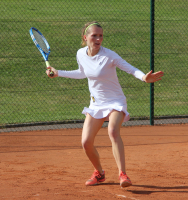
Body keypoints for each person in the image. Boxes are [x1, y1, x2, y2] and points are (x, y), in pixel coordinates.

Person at [46, 21, 164, 188]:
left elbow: (129, 68)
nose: (98, 39)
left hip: (115, 101)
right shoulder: (80, 54)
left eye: (101, 36)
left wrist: (143, 77)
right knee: (86, 142)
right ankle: (99, 173)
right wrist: (58, 73)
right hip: (96, 104)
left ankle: (123, 174)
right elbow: (82, 73)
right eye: (94, 35)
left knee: (113, 131)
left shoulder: (109, 55)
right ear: (85, 37)